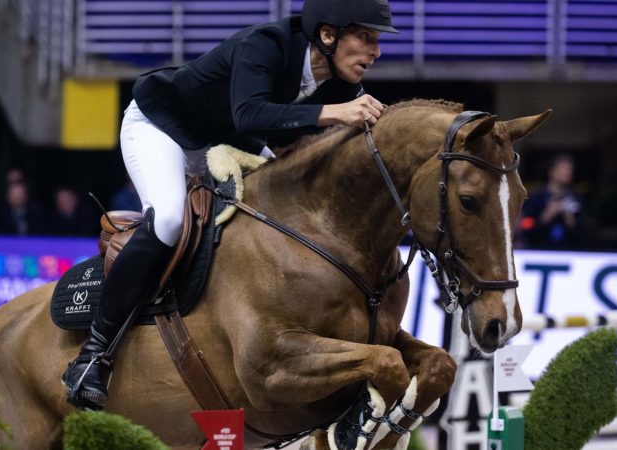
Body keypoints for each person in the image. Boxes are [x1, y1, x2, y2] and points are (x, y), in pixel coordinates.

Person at [62, 0, 398, 410]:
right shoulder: (266, 45)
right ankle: (93, 355)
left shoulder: (341, 84)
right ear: (328, 35)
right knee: (169, 220)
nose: (376, 52)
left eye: (377, 41)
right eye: (366, 38)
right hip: (162, 127)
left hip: (226, 142)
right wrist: (334, 113)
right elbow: (249, 115)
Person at [519, 154, 583, 249]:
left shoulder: (575, 198)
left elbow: (584, 231)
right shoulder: (536, 197)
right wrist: (546, 216)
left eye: (570, 169)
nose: (568, 173)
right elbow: (525, 225)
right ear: (551, 172)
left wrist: (569, 219)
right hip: (539, 251)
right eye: (563, 169)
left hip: (568, 252)